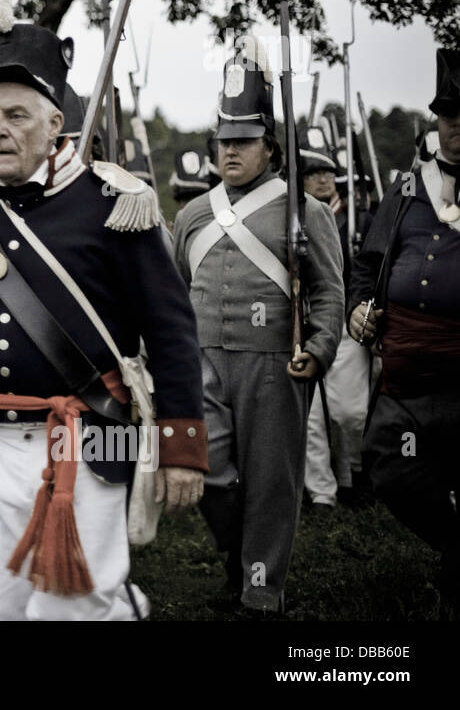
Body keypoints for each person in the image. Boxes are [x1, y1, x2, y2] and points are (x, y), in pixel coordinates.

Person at [0, 0, 206, 620]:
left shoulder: (117, 202)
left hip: (85, 444)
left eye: (15, 115)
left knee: (72, 612)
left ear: (55, 123)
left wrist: (181, 442)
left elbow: (170, 330)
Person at [172, 37, 343, 614]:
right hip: (203, 360)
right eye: (223, 141)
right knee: (210, 472)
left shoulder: (306, 211)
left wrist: (318, 349)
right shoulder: (194, 213)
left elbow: (328, 291)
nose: (230, 152)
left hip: (273, 361)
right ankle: (238, 554)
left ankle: (261, 591)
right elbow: (173, 294)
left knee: (272, 482)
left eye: (242, 141)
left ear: (270, 146)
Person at [349, 48, 460, 616]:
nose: (457, 126)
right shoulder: (409, 188)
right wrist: (359, 308)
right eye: (449, 115)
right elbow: (367, 264)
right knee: (390, 465)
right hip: (406, 369)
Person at [299, 135, 372, 510]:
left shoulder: (357, 218)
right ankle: (323, 494)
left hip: (344, 322)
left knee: (348, 413)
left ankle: (352, 474)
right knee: (310, 418)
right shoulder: (293, 216)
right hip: (304, 323)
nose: (324, 179)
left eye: (328, 171)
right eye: (314, 172)